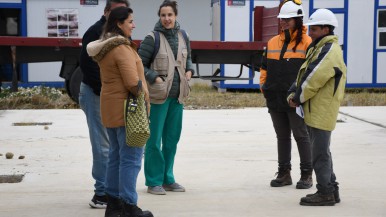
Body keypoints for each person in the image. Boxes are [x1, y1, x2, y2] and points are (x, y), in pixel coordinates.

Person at [87, 6, 154, 217]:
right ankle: (129, 206)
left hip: (111, 109)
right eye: (130, 21)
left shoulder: (105, 47)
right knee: (131, 159)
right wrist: (144, 95)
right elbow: (132, 82)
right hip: (128, 111)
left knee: (116, 157)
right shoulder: (122, 48)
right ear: (119, 23)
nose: (134, 25)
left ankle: (113, 205)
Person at [287, 8, 346, 206]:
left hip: (322, 110)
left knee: (319, 153)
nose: (309, 32)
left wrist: (297, 97)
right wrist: (294, 91)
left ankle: (325, 194)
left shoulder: (329, 50)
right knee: (323, 152)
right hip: (316, 110)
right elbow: (304, 72)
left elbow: (313, 78)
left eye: (314, 28)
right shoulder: (319, 47)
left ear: (326, 29)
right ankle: (331, 189)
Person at [138, 0, 194, 195]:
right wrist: (155, 77)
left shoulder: (184, 36)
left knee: (171, 140)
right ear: (159, 17)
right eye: (163, 15)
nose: (166, 19)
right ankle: (153, 181)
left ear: (175, 15)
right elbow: (139, 65)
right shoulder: (151, 38)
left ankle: (167, 178)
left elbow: (188, 59)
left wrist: (189, 71)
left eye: (170, 15)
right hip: (158, 98)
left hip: (177, 98)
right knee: (154, 141)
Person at [79, 0, 129, 209]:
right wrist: (107, 91)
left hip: (112, 96)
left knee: (115, 146)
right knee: (103, 146)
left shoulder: (119, 34)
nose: (121, 17)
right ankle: (101, 194)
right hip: (96, 94)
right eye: (116, 12)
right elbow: (87, 67)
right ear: (106, 12)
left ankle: (112, 191)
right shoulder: (95, 32)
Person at [259, 0, 313, 189]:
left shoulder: (308, 43)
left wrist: (301, 95)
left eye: (288, 19)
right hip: (274, 98)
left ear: (298, 19)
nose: (284, 22)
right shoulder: (273, 42)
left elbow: (310, 73)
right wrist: (264, 86)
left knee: (301, 135)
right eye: (282, 19)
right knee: (282, 137)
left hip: (295, 100)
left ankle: (307, 174)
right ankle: (284, 173)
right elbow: (264, 67)